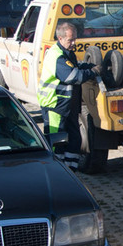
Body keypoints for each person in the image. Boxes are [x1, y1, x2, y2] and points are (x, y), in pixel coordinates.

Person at [37, 21, 101, 169]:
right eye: (70, 40)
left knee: (74, 140)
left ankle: (71, 171)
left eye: (75, 39)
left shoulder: (66, 53)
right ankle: (56, 171)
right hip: (56, 106)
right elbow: (73, 76)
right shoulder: (57, 56)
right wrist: (93, 72)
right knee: (57, 142)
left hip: (68, 105)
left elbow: (75, 66)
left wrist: (89, 66)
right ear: (60, 39)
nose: (74, 43)